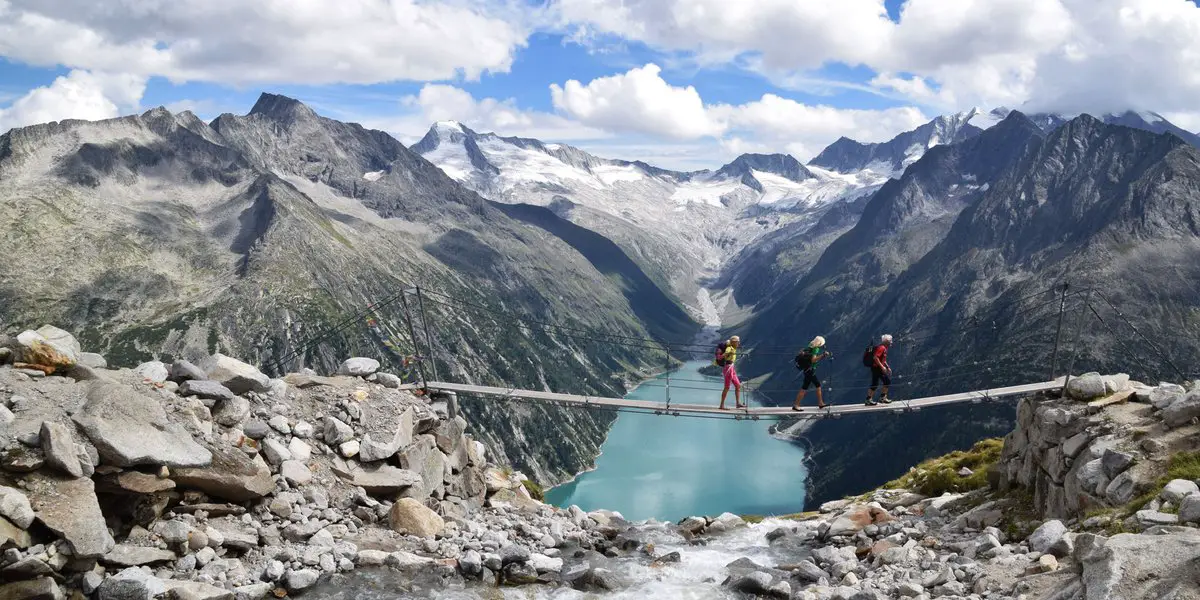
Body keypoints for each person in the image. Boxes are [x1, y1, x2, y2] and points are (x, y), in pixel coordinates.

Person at [791, 336, 831, 411]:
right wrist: (823, 355)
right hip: (810, 370)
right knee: (818, 385)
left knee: (804, 387)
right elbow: (813, 360)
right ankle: (820, 403)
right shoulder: (816, 349)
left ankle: (796, 405)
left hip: (806, 370)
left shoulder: (810, 345)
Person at [865, 334, 894, 406]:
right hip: (877, 368)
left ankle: (869, 399)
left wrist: (887, 367)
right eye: (890, 341)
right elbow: (875, 357)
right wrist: (882, 367)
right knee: (887, 381)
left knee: (875, 383)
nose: (891, 342)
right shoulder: (882, 348)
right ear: (886, 341)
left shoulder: (883, 348)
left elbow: (882, 359)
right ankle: (882, 398)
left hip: (876, 368)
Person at [718, 336, 744, 410]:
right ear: (733, 342)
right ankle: (721, 405)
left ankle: (737, 404)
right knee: (727, 387)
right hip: (728, 368)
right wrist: (723, 355)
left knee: (738, 385)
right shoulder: (729, 348)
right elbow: (722, 356)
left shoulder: (733, 348)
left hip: (731, 367)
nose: (739, 343)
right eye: (737, 341)